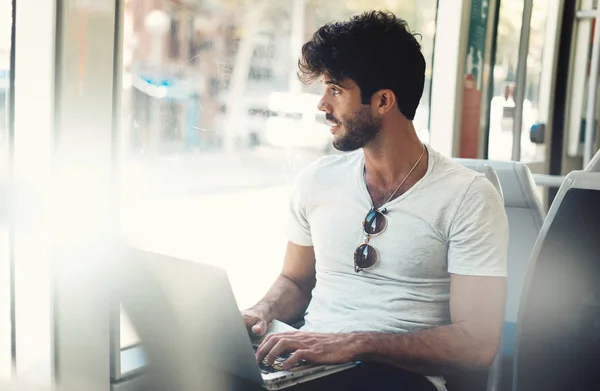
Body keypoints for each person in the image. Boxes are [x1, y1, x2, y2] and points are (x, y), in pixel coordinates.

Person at [241, 10, 508, 391]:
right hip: (307, 366)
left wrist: (351, 344)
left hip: (400, 378)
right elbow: (295, 281)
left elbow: (477, 343)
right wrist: (260, 311)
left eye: (335, 89)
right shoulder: (316, 181)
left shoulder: (469, 197)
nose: (322, 105)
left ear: (383, 101)